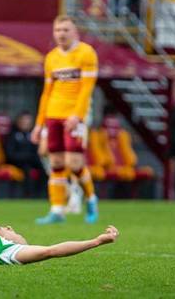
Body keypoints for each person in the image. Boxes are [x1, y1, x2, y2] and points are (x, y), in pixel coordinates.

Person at [31, 15, 99, 224]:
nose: (61, 34)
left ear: (75, 32)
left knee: (74, 162)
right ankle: (57, 210)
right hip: (53, 113)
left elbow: (87, 89)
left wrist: (77, 115)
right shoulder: (51, 57)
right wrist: (39, 123)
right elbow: (46, 92)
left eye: (65, 30)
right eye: (58, 30)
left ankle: (91, 198)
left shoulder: (86, 53)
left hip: (75, 115)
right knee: (56, 162)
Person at [5, 111, 46, 198]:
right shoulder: (13, 135)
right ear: (18, 121)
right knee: (27, 170)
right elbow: (10, 154)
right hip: (17, 162)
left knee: (44, 168)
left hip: (31, 161)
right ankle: (28, 195)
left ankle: (43, 194)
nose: (26, 123)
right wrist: (26, 157)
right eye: (24, 121)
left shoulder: (32, 135)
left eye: (28, 121)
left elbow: (37, 151)